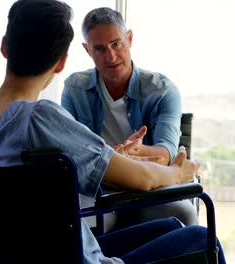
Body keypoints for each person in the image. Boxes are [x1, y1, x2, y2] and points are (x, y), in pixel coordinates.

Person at [0, 0, 225, 263]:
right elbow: (143, 179)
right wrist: (180, 173)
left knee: (172, 227)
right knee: (204, 238)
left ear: (4, 46)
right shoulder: (42, 119)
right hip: (73, 257)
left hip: (26, 255)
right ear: (61, 62)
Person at [61, 7, 198, 229]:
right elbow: (71, 152)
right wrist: (115, 159)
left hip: (151, 186)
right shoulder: (74, 88)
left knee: (184, 215)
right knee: (77, 226)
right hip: (99, 188)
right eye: (100, 49)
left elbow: (166, 153)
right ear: (87, 50)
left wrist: (137, 151)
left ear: (130, 39)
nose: (111, 56)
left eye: (116, 44)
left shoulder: (163, 90)